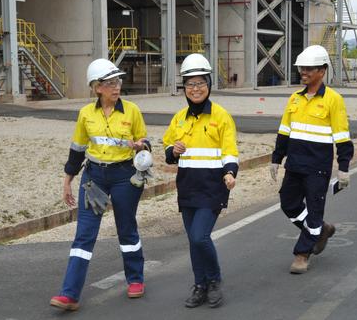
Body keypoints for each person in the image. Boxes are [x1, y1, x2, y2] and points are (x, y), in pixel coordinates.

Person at [50, 58, 151, 311]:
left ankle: (136, 279)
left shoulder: (132, 111)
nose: (116, 87)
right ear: (97, 87)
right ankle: (69, 294)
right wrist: (67, 181)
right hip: (93, 177)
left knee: (126, 229)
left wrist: (141, 146)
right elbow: (77, 150)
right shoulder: (86, 114)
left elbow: (145, 142)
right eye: (109, 83)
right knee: (84, 234)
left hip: (124, 177)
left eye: (117, 81)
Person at [162, 53, 239, 308]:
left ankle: (214, 280)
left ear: (208, 83)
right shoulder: (179, 118)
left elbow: (230, 151)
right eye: (190, 84)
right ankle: (200, 285)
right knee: (193, 240)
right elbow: (167, 148)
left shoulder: (221, 116)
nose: (195, 89)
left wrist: (230, 172)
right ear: (184, 87)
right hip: (188, 187)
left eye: (200, 83)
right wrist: (173, 151)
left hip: (213, 187)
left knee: (199, 237)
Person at [269, 45, 354, 274]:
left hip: (317, 167)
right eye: (301, 68)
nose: (303, 72)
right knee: (288, 204)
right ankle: (321, 230)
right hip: (295, 164)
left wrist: (343, 169)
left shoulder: (333, 100)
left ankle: (302, 254)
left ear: (322, 71)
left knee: (314, 210)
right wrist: (276, 158)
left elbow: (342, 137)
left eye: (309, 68)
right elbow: (284, 131)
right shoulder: (294, 99)